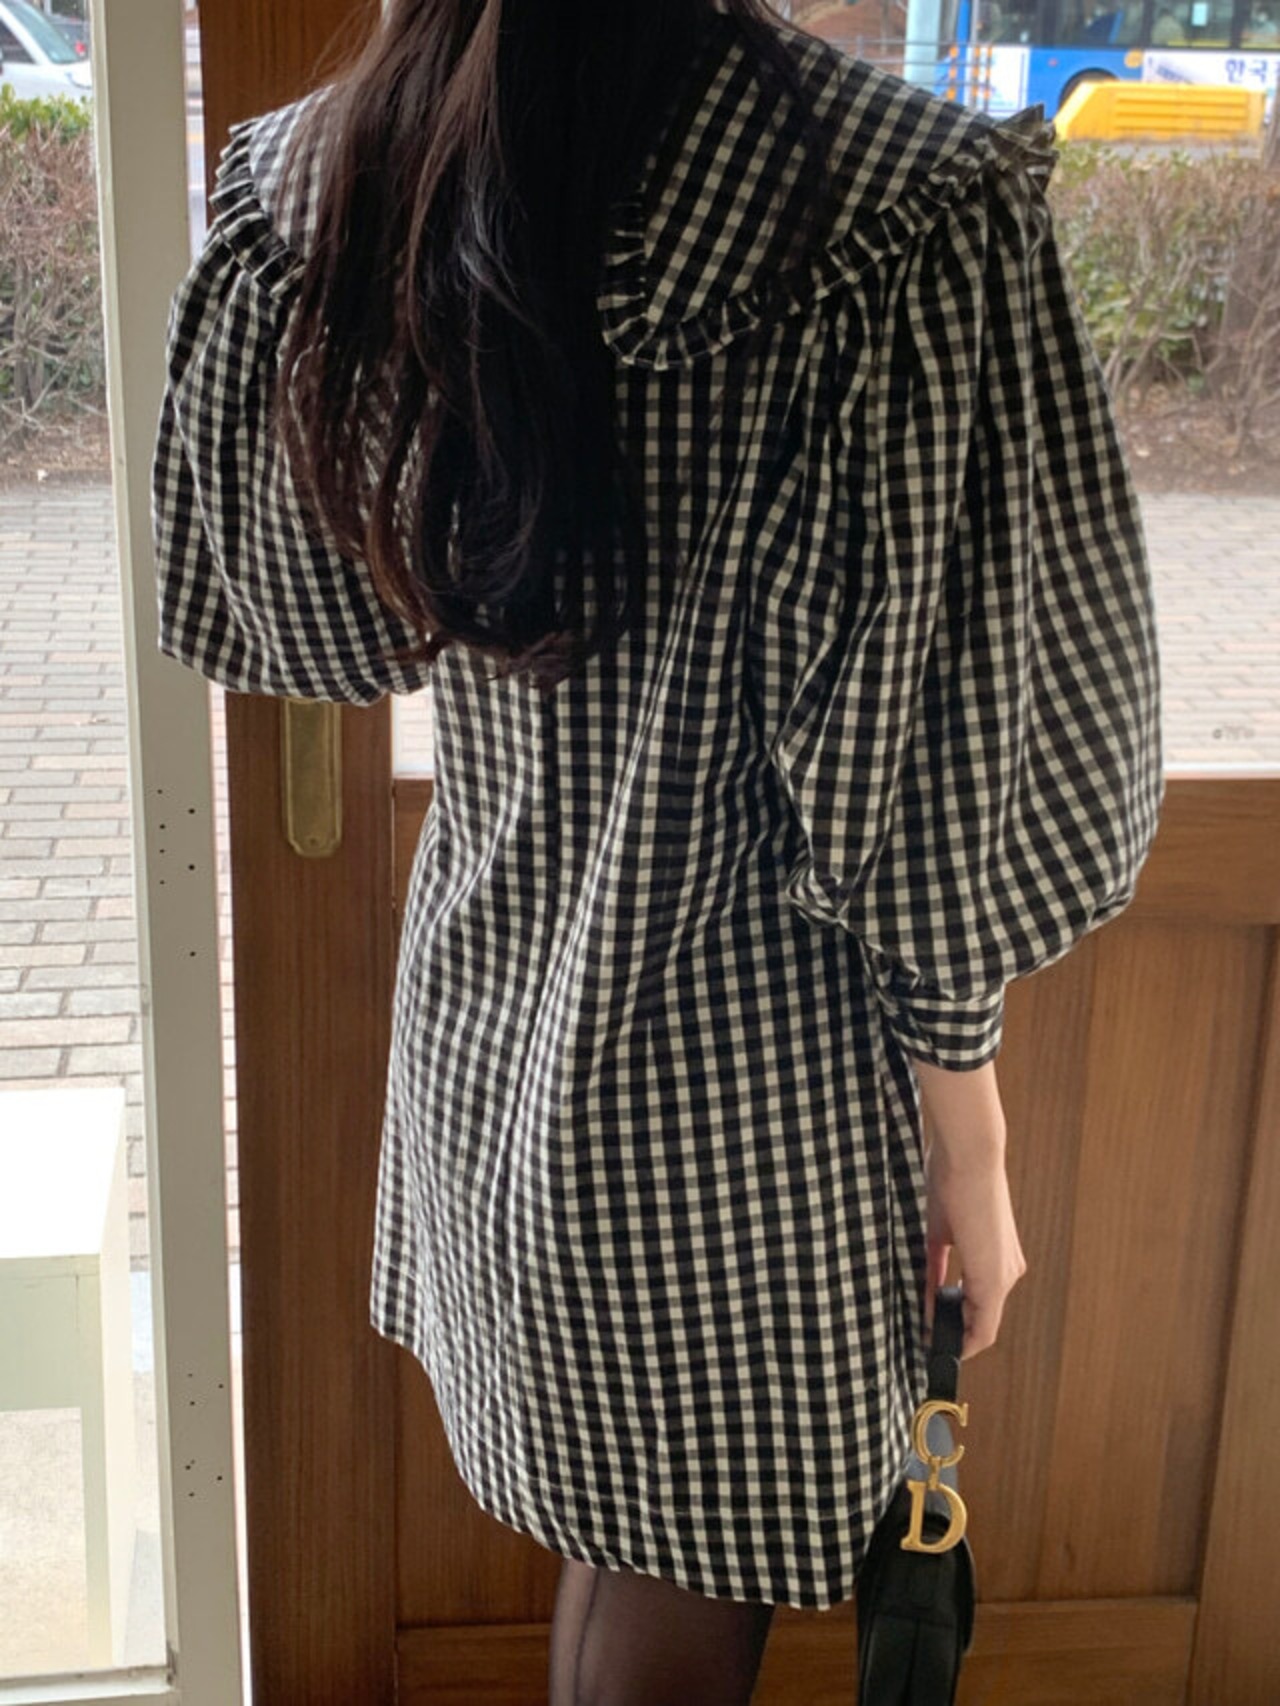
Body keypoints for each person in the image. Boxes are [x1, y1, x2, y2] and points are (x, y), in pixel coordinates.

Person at [150, 0, 1165, 1699]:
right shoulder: (891, 208)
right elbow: (937, 796)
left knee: (626, 1537)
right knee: (669, 1571)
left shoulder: (333, 172)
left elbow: (304, 623)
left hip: (497, 1052)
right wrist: (972, 1145)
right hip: (750, 1109)